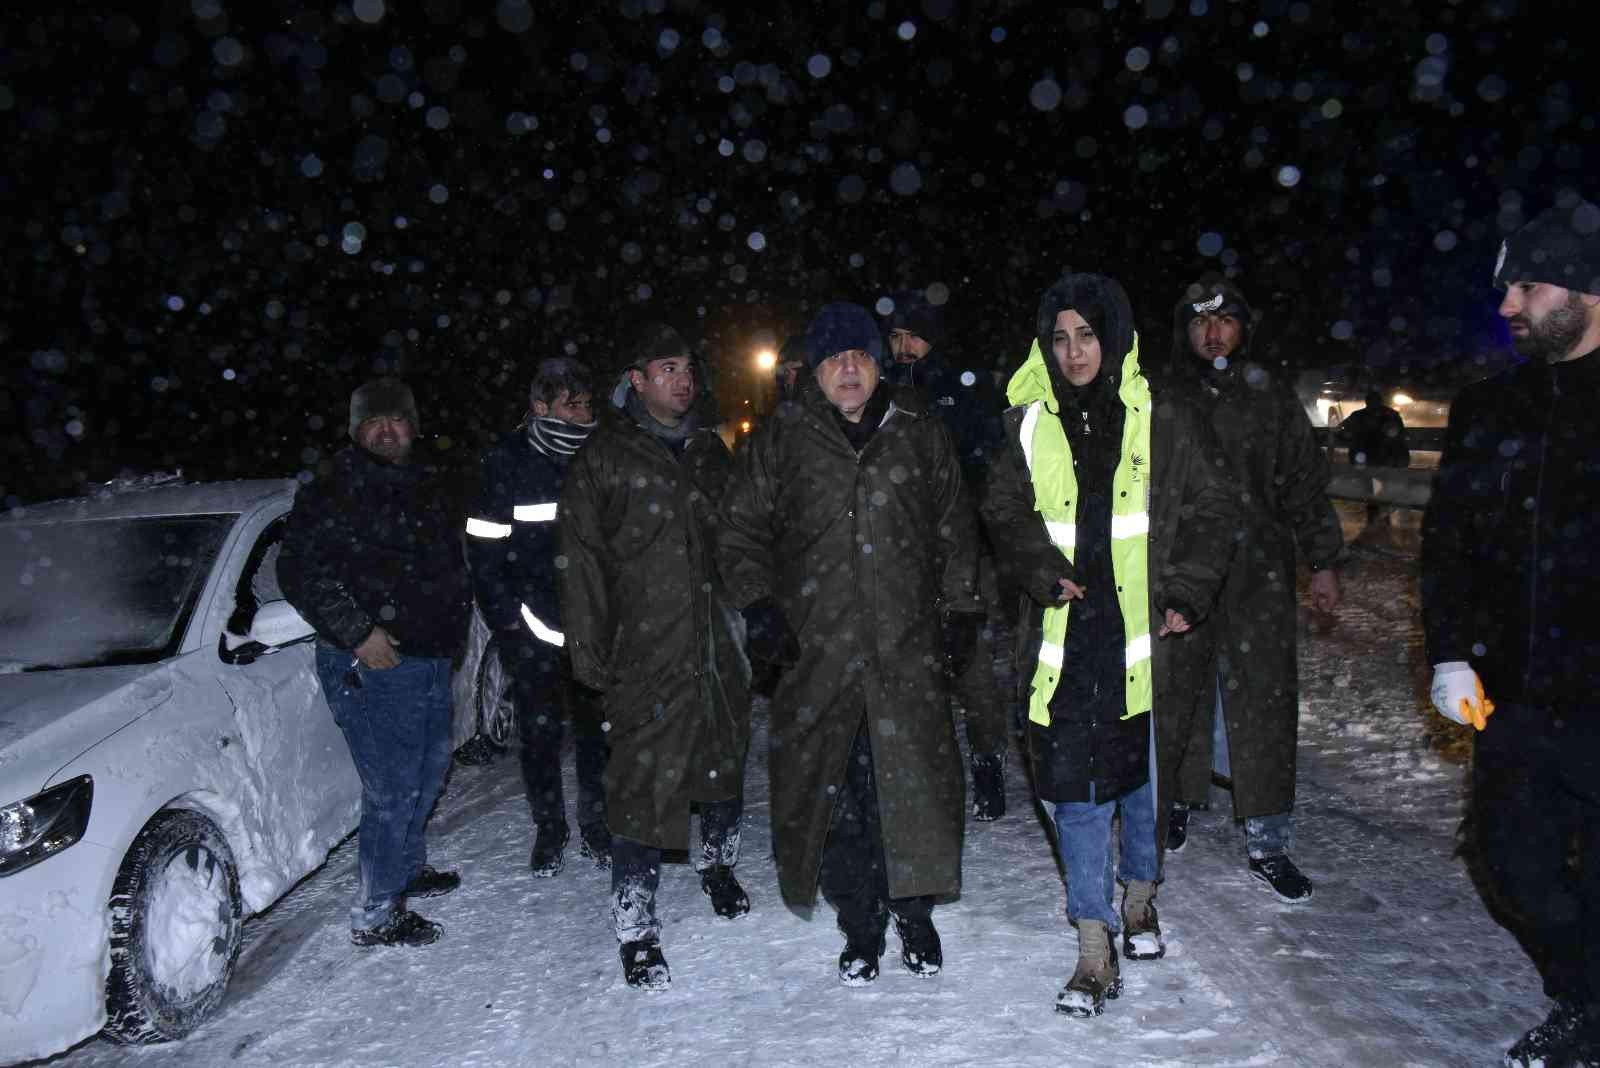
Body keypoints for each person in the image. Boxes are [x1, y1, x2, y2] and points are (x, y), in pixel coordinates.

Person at [982, 273, 1235, 1017]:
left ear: (1114, 337)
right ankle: (1093, 948)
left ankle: (1141, 901)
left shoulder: (1164, 417)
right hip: (1065, 635)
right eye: (1059, 338)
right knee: (1073, 792)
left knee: (1141, 785)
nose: (1073, 352)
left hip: (1145, 637)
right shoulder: (1026, 421)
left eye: (1087, 336)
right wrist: (1036, 565)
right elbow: (1002, 507)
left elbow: (1215, 505)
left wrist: (1188, 591)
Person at [718, 301, 983, 986]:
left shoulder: (918, 432)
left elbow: (956, 528)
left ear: (878, 363)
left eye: (861, 356)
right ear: (815, 369)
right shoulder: (783, 439)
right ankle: (859, 924)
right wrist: (759, 607)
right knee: (833, 795)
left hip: (906, 649)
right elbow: (740, 532)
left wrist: (960, 611)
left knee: (913, 790)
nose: (849, 369)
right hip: (818, 656)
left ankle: (914, 916)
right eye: (836, 358)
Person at [1421, 195, 1600, 1068]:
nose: (1507, 308)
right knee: (1510, 864)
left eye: (1524, 287)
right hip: (1518, 699)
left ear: (1586, 288)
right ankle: (1587, 991)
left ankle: (1587, 1014)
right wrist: (1450, 648)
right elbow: (1448, 544)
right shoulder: (1490, 411)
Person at [558, 321, 752, 989]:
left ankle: (718, 864)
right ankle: (635, 926)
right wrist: (587, 649)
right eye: (665, 368)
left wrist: (760, 613)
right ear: (636, 381)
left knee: (724, 760)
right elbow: (579, 560)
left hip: (717, 641)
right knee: (642, 786)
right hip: (644, 648)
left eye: (686, 368)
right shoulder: (604, 458)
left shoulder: (708, 451)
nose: (682, 378)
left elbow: (740, 542)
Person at [1159, 275, 1343, 903]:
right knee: (1175, 690)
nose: (1212, 333)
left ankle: (1268, 836)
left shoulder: (1270, 398)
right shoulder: (1164, 396)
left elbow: (1303, 483)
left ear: (1243, 327)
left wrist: (1323, 560)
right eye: (1200, 322)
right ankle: (1174, 804)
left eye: (1225, 320)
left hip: (1258, 572)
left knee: (1263, 699)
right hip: (1182, 571)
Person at [279, 377, 471, 947]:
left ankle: (407, 868)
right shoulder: (333, 488)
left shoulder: (424, 480)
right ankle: (378, 911)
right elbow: (299, 571)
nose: (387, 432)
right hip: (375, 664)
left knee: (429, 769)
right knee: (392, 787)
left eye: (397, 421)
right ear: (356, 430)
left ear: (412, 426)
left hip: (430, 657)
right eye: (374, 423)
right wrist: (358, 632)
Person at [466, 357, 609, 877]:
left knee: (599, 737)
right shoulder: (505, 463)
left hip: (596, 631)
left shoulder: (601, 457)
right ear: (539, 407)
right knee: (541, 739)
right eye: (570, 405)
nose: (581, 415)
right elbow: (484, 554)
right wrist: (511, 628)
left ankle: (598, 827)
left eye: (587, 404)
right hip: (533, 634)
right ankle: (551, 830)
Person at [886, 288, 1013, 821]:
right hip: (904, 551)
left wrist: (974, 534)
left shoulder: (963, 386)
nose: (904, 346)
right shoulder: (886, 390)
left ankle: (988, 763)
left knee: (972, 663)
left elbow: (987, 462)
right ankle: (925, 770)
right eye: (895, 337)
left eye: (912, 335)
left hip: (965, 549)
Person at [1337, 388, 1410, 528]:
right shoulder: (1390, 414)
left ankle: (1374, 520)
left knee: (1372, 489)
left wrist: (1351, 443)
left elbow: (1342, 431)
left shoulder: (1358, 416)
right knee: (1381, 489)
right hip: (1384, 460)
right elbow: (1400, 437)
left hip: (1367, 460)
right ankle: (1381, 520)